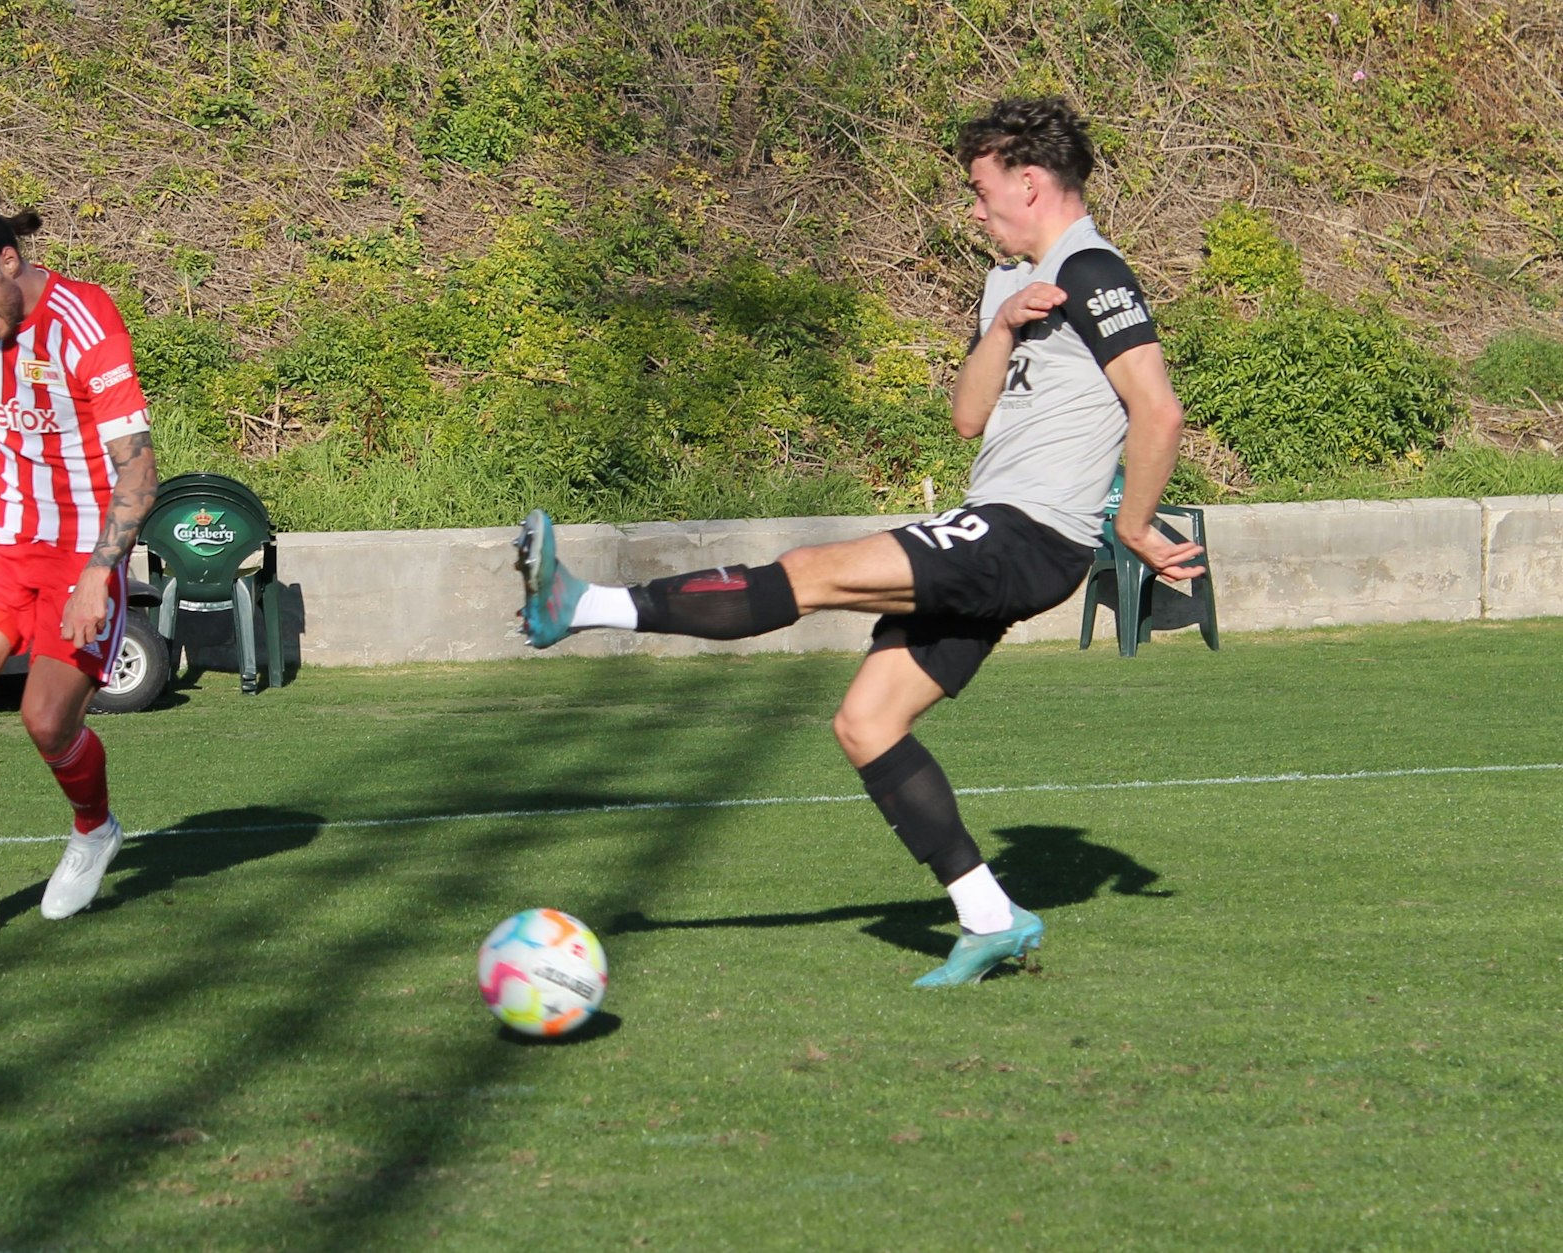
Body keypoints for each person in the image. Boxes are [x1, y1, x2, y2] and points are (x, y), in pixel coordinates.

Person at [512, 97, 1203, 986]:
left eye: (981, 187)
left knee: (812, 574)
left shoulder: (1096, 267)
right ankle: (992, 917)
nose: (974, 206)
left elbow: (1159, 408)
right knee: (868, 723)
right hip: (997, 524)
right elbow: (966, 417)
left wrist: (1135, 525)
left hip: (1028, 535)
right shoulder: (1008, 284)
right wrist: (1000, 327)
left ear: (1029, 182)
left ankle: (581, 606)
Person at [0, 193, 158, 945]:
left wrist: (97, 576)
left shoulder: (86, 322)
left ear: (10, 262)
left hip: (82, 544)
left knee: (46, 721)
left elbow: (139, 474)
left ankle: (94, 825)